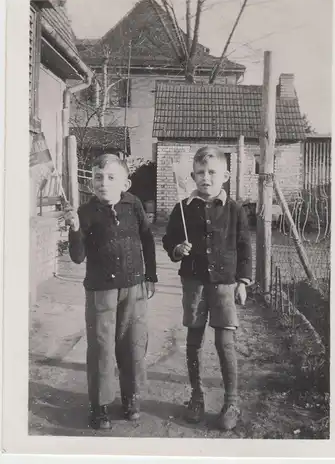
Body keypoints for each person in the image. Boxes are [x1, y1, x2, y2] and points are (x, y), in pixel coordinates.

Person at [64, 154, 157, 430]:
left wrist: (150, 276)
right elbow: (78, 257)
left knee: (133, 344)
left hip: (134, 288)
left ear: (125, 183)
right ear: (91, 182)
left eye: (111, 177)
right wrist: (75, 229)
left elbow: (147, 239)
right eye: (98, 177)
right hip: (100, 291)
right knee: (101, 347)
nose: (103, 183)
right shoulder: (86, 212)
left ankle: (131, 399)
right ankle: (100, 405)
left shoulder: (134, 205)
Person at [162, 146, 252, 431]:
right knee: (194, 341)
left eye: (212, 172)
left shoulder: (235, 210)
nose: (206, 178)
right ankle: (197, 396)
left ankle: (231, 401)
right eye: (200, 173)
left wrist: (243, 281)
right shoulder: (182, 208)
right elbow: (169, 240)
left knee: (225, 343)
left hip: (225, 284)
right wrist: (177, 248)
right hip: (194, 284)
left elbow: (244, 247)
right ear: (192, 175)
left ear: (225, 175)